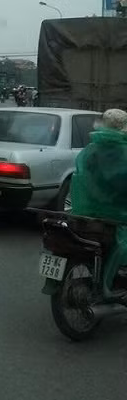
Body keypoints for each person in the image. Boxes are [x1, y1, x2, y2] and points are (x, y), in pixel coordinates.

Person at [72, 109, 127, 294]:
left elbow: (83, 176)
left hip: (88, 209)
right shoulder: (122, 150)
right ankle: (111, 283)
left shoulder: (92, 148)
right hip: (116, 211)